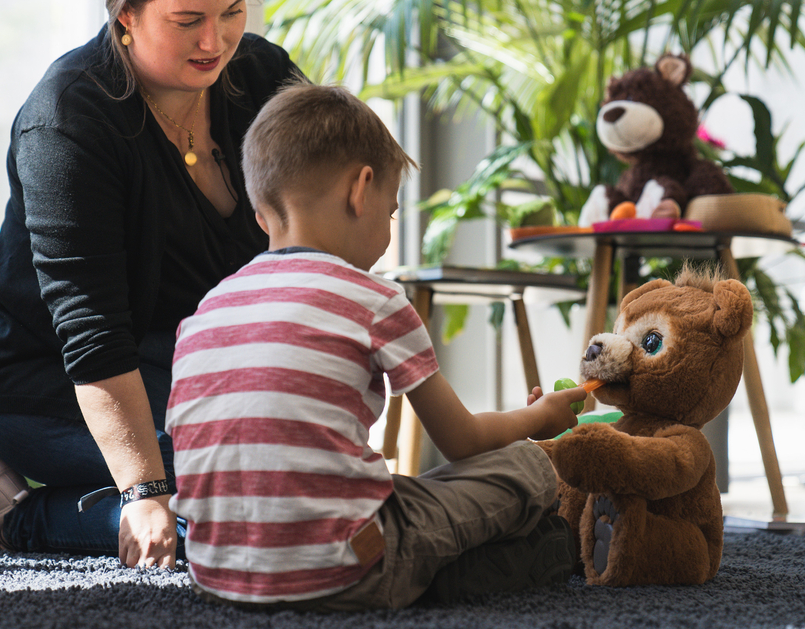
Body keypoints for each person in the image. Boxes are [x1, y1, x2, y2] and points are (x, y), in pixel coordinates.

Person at [0, 0, 302, 569]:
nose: (216, 41)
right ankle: (15, 515)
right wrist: (144, 490)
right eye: (187, 20)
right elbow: (91, 330)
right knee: (239, 501)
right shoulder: (66, 122)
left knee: (293, 468)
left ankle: (117, 479)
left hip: (178, 358)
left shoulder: (259, 75)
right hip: (47, 376)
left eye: (232, 11)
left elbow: (323, 203)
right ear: (126, 17)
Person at [166, 83, 586, 611]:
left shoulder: (208, 309)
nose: (387, 228)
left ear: (260, 213)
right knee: (525, 468)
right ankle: (536, 552)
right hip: (345, 565)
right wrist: (539, 419)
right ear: (361, 189)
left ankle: (435, 570)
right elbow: (462, 440)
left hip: (218, 574)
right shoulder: (373, 298)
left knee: (408, 490)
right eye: (390, 213)